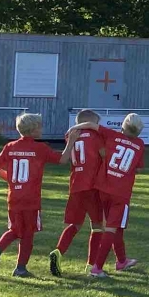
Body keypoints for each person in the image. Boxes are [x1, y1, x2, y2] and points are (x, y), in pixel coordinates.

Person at [0, 113, 64, 278]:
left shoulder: (10, 146)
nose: (42, 129)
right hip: (31, 199)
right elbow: (63, 160)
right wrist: (71, 142)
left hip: (14, 197)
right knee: (28, 233)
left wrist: (11, 180)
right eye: (40, 127)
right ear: (34, 129)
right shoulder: (40, 148)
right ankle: (20, 268)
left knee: (14, 229)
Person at [48, 110, 110, 275]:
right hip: (92, 185)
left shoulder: (71, 135)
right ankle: (92, 265)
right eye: (96, 123)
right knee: (98, 226)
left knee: (74, 224)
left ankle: (58, 251)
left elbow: (68, 155)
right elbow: (105, 155)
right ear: (90, 123)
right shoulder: (95, 136)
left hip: (76, 185)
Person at [87, 112, 147, 279]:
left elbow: (91, 125)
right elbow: (139, 168)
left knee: (115, 226)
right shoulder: (140, 144)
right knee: (111, 228)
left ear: (123, 126)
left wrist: (75, 128)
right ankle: (97, 268)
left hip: (103, 188)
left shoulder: (112, 135)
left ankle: (121, 260)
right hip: (121, 192)